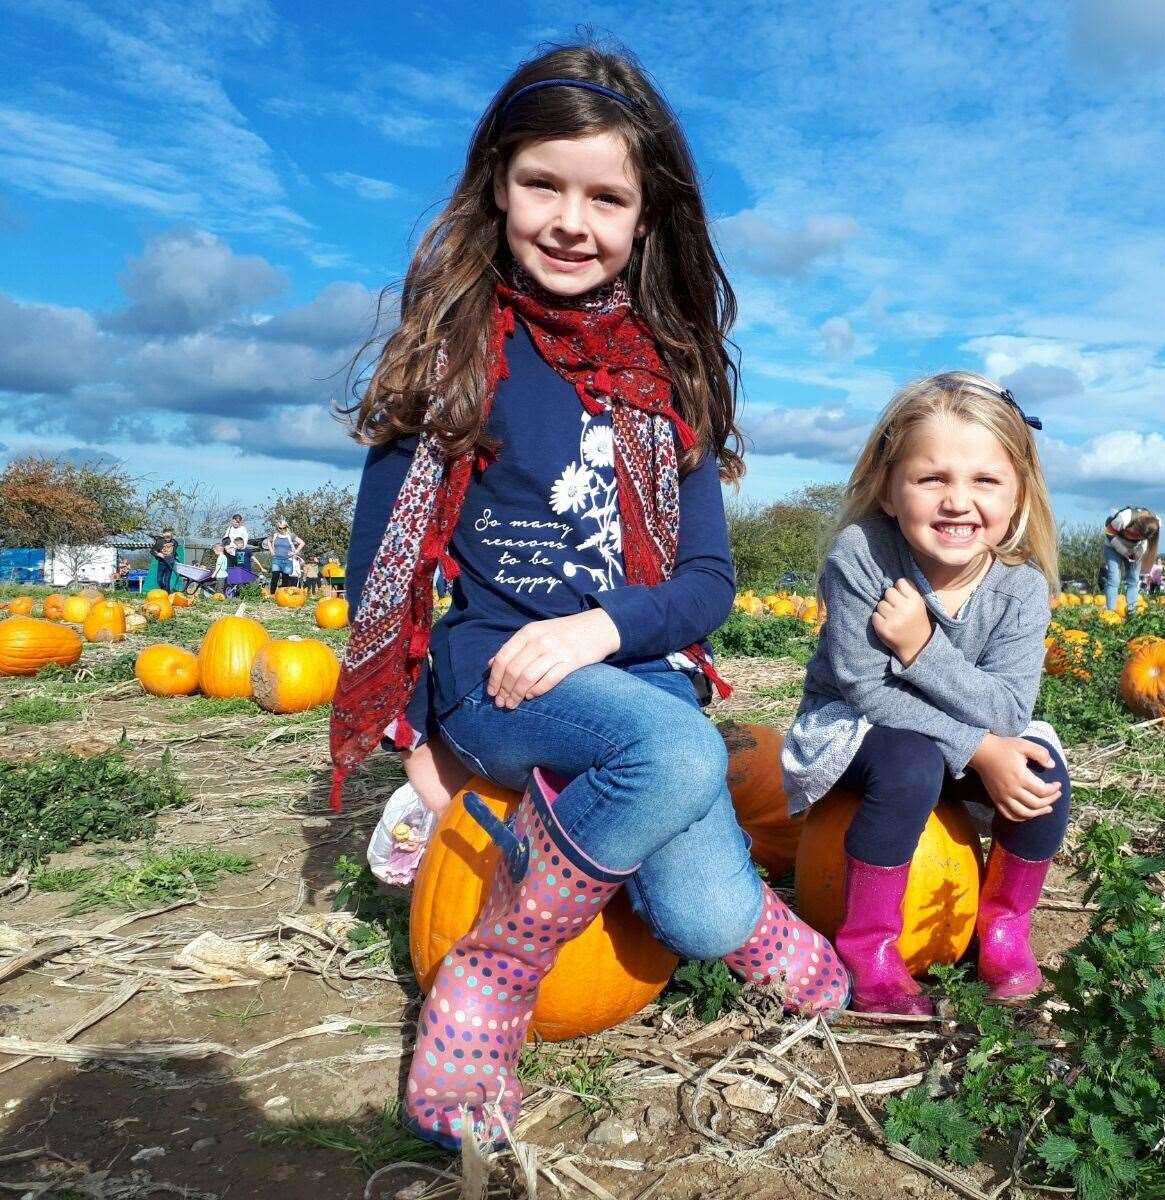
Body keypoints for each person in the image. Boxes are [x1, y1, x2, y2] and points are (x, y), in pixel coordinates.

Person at [330, 44, 847, 1152]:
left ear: (647, 218)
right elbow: (386, 575)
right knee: (680, 757)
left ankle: (625, 855)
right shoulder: (455, 358)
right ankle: (499, 966)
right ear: (496, 188)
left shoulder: (674, 382)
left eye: (606, 196)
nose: (572, 219)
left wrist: (602, 626)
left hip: (632, 676)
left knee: (704, 914)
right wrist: (418, 751)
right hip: (498, 682)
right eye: (543, 185)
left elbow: (706, 585)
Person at [782, 373, 1071, 1014]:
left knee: (1042, 770)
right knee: (910, 762)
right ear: (888, 489)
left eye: (985, 481)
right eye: (931, 479)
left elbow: (1009, 711)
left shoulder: (1019, 587)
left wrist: (920, 649)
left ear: (1020, 492)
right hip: (856, 727)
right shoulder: (862, 556)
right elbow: (865, 687)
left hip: (969, 729)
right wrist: (978, 748)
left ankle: (1003, 930)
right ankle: (870, 946)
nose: (957, 502)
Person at [1103, 505, 1160, 613]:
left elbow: (1146, 541)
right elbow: (1109, 532)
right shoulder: (1124, 519)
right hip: (1113, 546)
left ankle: (1132, 612)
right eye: (1136, 535)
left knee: (1133, 579)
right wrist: (1124, 551)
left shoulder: (1155, 523)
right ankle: (1110, 612)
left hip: (1134, 550)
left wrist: (1139, 552)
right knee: (1114, 579)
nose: (1136, 538)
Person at [265, 520, 304, 594]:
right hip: (276, 559)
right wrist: (272, 551)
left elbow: (302, 543)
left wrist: (295, 552)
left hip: (287, 560)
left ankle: (283, 594)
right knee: (275, 576)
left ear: (286, 527)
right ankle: (272, 594)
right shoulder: (275, 535)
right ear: (277, 528)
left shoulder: (291, 535)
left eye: (284, 528)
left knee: (285, 577)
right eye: (280, 528)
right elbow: (268, 541)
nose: (282, 530)